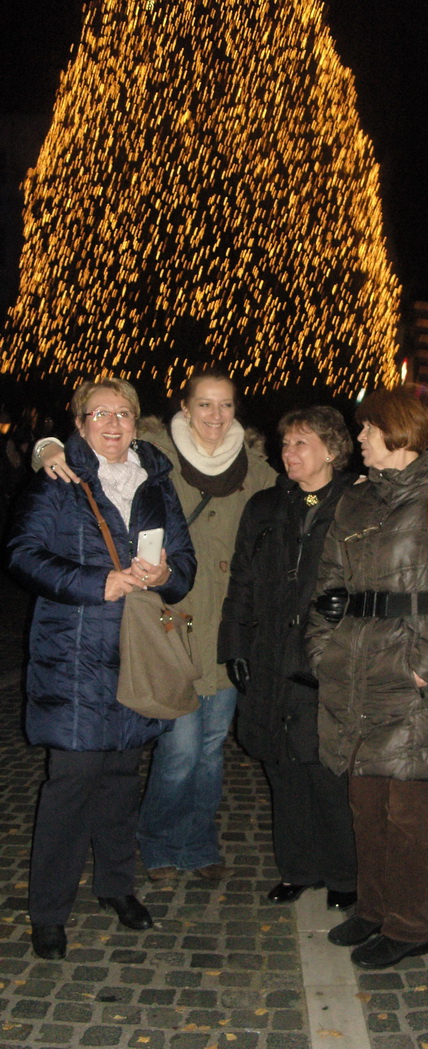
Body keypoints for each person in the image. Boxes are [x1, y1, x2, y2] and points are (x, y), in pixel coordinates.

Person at [32, 367, 276, 883]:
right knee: (180, 747)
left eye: (226, 404)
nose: (215, 415)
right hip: (168, 622)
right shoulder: (155, 456)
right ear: (184, 408)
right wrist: (46, 447)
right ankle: (159, 839)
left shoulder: (254, 467)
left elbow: (298, 496)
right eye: (204, 403)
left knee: (211, 747)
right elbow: (91, 448)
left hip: (227, 624)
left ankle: (197, 841)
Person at [8, 378, 196, 960]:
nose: (113, 424)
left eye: (124, 413)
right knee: (70, 786)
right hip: (75, 656)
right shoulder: (59, 480)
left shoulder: (156, 482)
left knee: (120, 779)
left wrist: (166, 575)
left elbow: (185, 562)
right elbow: (22, 554)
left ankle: (117, 886)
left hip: (138, 653)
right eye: (100, 414)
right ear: (80, 423)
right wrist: (98, 582)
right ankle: (48, 912)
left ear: (137, 422)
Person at [305, 384, 428, 970]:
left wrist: (423, 665)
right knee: (365, 800)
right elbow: (328, 581)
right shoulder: (356, 498)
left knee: (407, 808)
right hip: (352, 665)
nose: (359, 436)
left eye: (367, 427)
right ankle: (374, 908)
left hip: (408, 668)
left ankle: (410, 925)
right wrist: (322, 649)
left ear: (398, 428)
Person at [218, 407, 357, 910]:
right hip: (270, 654)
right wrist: (234, 645)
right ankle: (298, 867)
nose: (289, 453)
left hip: (327, 659)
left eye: (301, 443)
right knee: (281, 766)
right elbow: (242, 580)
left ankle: (344, 872)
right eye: (286, 444)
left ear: (332, 450)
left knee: (327, 771)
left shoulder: (356, 505)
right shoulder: (265, 505)